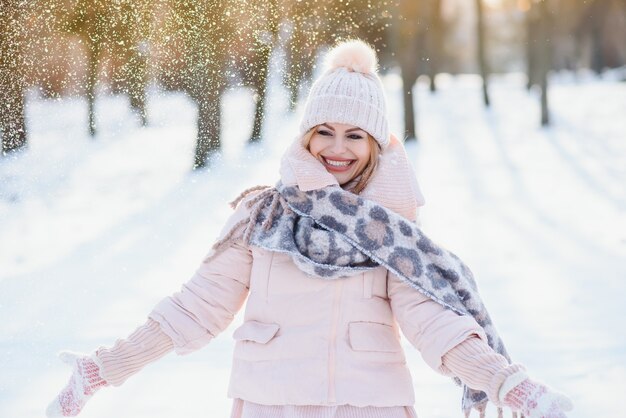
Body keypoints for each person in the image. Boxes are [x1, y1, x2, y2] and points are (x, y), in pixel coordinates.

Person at [47, 40, 573, 418]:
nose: (338, 149)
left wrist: (508, 384)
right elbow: (195, 308)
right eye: (324, 132)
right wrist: (103, 369)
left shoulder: (392, 232)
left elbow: (433, 321)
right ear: (305, 137)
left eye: (355, 136)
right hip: (269, 402)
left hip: (373, 405)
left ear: (377, 145)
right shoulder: (262, 216)